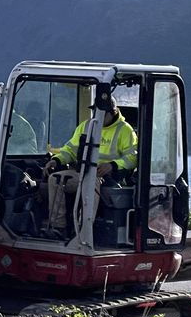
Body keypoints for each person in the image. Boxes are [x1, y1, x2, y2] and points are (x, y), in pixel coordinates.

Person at [41, 100, 137, 239]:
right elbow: (70, 150)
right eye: (94, 112)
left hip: (108, 177)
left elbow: (133, 157)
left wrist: (113, 165)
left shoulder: (124, 130)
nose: (96, 116)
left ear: (112, 113)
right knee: (55, 179)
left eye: (101, 113)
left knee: (91, 183)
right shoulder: (86, 126)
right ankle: (57, 228)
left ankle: (83, 230)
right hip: (81, 172)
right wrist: (56, 160)